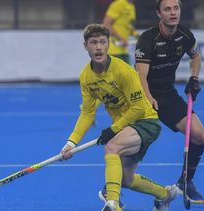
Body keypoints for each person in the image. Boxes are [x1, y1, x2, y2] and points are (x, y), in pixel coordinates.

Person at [60, 23, 179, 211]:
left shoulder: (123, 71)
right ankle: (165, 195)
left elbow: (139, 108)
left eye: (102, 42)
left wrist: (114, 129)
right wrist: (71, 143)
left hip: (146, 121)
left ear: (108, 44)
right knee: (126, 179)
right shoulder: (86, 77)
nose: (98, 47)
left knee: (112, 147)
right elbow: (87, 112)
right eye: (93, 43)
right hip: (126, 128)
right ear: (86, 46)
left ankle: (113, 204)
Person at [134, 0, 204, 205]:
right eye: (167, 9)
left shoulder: (185, 35)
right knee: (132, 147)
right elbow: (140, 76)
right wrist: (148, 99)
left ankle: (186, 181)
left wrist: (194, 78)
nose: (173, 12)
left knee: (199, 135)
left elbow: (196, 56)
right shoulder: (148, 39)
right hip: (140, 96)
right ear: (159, 13)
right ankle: (112, 187)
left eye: (176, 8)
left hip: (167, 95)